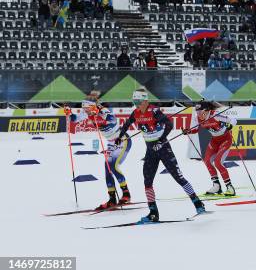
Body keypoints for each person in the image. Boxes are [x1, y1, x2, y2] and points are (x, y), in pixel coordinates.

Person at [117, 89, 205, 222]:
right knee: (147, 181)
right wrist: (120, 137)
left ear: (146, 101)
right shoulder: (135, 113)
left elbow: (169, 125)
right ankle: (153, 213)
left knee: (178, 177)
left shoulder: (154, 111)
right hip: (150, 151)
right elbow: (127, 124)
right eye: (135, 102)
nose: (137, 105)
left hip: (163, 148)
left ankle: (198, 204)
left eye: (139, 102)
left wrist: (161, 140)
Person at [65, 91, 132, 210]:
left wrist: (98, 116)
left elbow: (112, 121)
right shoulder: (88, 112)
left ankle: (126, 194)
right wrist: (69, 113)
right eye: (84, 108)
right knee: (107, 168)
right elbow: (75, 119)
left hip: (122, 140)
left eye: (86, 108)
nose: (85, 111)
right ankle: (112, 199)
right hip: (111, 143)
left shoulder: (104, 110)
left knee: (113, 166)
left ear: (93, 106)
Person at [184, 101, 237, 196]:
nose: (199, 114)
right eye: (197, 112)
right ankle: (216, 186)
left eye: (200, 112)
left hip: (225, 139)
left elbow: (233, 120)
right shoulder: (198, 119)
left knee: (218, 162)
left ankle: (230, 187)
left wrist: (229, 126)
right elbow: (196, 129)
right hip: (214, 141)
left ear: (206, 110)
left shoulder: (215, 115)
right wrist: (188, 131)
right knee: (207, 161)